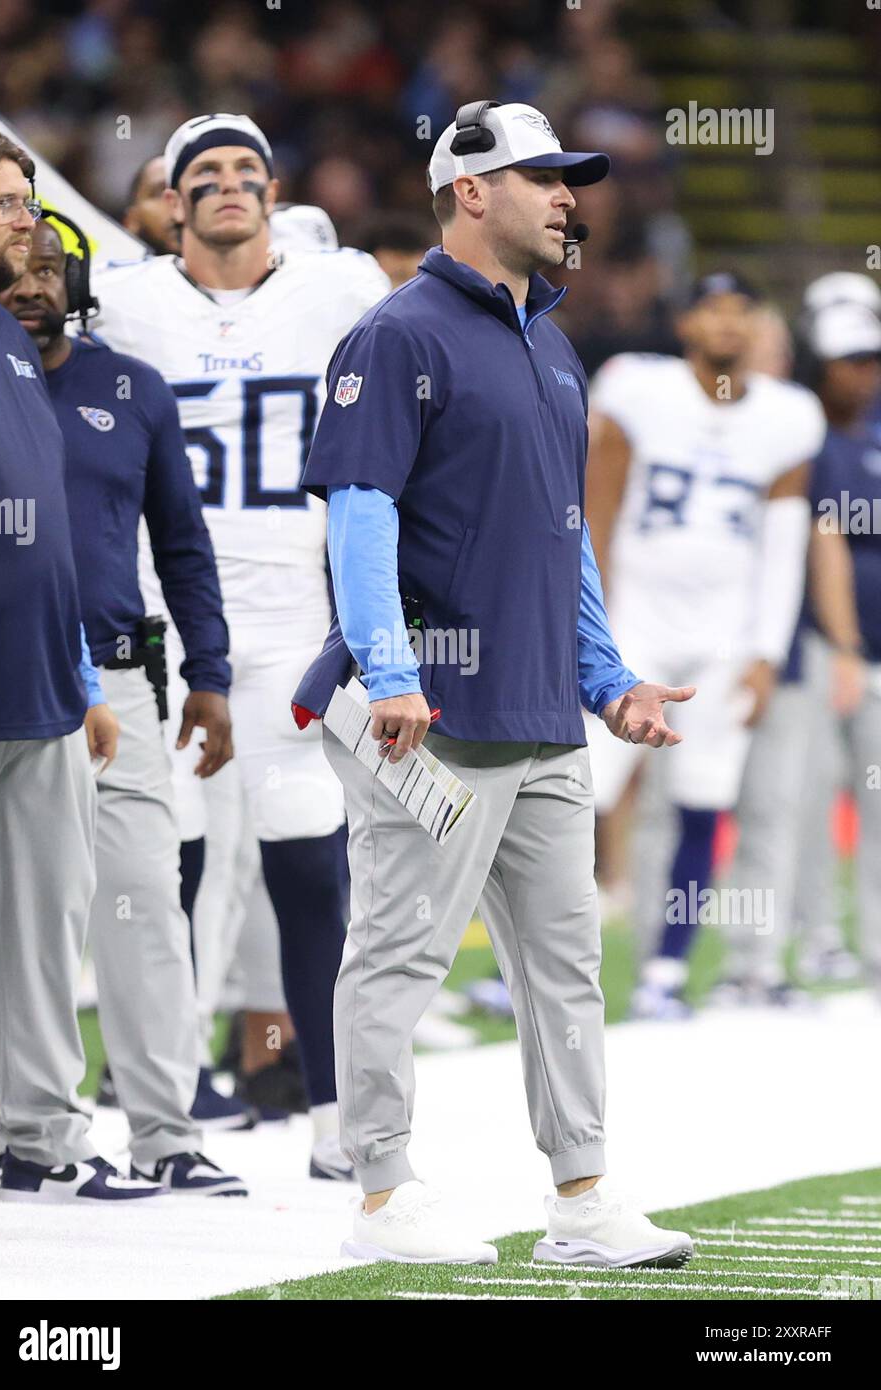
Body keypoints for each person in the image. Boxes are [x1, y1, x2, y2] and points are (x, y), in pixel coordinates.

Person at [294, 99, 695, 1266]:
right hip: (430, 716)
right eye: (543, 177)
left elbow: (562, 536)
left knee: (566, 968)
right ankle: (382, 1191)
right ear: (470, 190)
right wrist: (389, 670)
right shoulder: (398, 332)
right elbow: (357, 514)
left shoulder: (553, 341)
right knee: (398, 951)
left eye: (572, 179)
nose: (570, 197)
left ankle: (581, 1197)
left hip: (539, 713)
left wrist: (609, 676)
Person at [88, 113, 390, 1179]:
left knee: (308, 864)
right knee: (162, 866)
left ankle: (328, 1114)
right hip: (160, 621)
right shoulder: (123, 302)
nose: (227, 185)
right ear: (168, 200)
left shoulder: (338, 288)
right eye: (202, 173)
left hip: (286, 619)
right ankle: (151, 1107)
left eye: (245, 171)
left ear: (273, 194)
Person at [0, 214, 248, 1196]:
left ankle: (166, 1132)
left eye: (51, 267)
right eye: (19, 264)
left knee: (145, 908)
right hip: (4, 676)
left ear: (80, 279)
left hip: (120, 677)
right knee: (26, 916)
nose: (32, 281)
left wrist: (210, 674)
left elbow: (182, 542)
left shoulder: (131, 387)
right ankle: (31, 1136)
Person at [0, 124, 159, 1205]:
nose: (25, 222)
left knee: (40, 935)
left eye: (26, 201)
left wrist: (84, 677)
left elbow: (39, 529)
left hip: (40, 691)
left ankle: (40, 1137)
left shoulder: (1, 333)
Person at [585, 272, 826, 1020]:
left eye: (740, 311)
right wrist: (589, 629)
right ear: (684, 322)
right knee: (576, 794)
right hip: (636, 627)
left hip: (723, 638)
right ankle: (535, 963)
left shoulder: (789, 415)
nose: (727, 323)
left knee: (702, 801)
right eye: (712, 309)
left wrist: (764, 652)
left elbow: (784, 545)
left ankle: (665, 971)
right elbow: (598, 509)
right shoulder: (638, 389)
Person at [720, 294, 881, 1002]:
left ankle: (819, 953)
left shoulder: (830, 428)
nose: (866, 374)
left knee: (824, 803)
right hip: (786, 644)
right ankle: (798, 944)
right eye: (852, 361)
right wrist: (843, 642)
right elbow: (827, 544)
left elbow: (829, 542)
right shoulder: (800, 431)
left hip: (815, 649)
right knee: (795, 800)